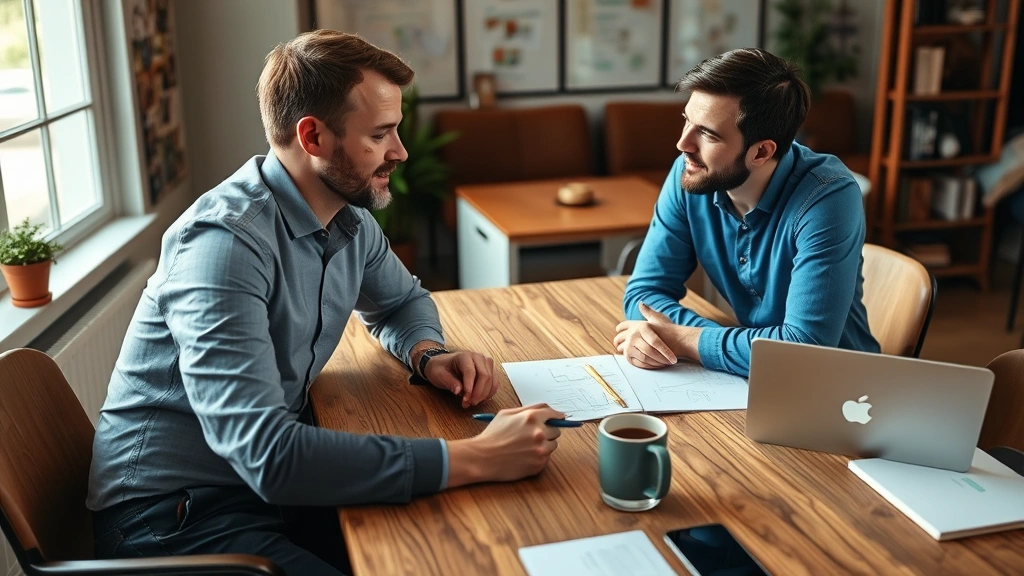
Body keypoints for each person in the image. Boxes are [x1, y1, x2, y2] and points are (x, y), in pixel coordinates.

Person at [87, 31, 565, 576]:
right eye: (380, 134)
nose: (400, 152)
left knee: (466, 551)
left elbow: (401, 302)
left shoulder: (348, 217)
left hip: (263, 493)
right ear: (312, 136)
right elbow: (267, 453)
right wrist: (476, 456)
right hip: (174, 520)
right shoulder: (222, 245)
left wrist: (429, 353)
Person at [615, 48, 880, 377]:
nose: (683, 144)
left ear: (762, 151)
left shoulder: (827, 197)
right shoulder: (690, 174)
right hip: (747, 378)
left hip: (838, 390)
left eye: (708, 134)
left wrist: (684, 339)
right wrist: (706, 340)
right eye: (686, 121)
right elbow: (645, 294)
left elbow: (804, 350)